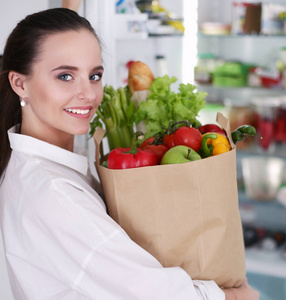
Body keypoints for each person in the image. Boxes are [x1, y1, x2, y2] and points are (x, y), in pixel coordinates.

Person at [0, 8, 259, 300]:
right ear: (20, 83)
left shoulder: (37, 167)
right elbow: (152, 294)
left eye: (94, 75)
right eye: (65, 76)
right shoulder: (54, 194)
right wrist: (238, 295)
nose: (89, 94)